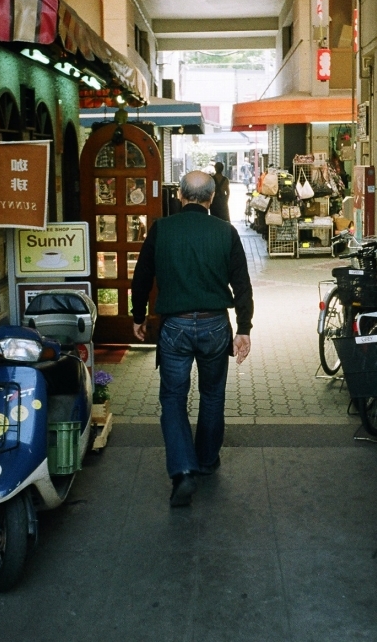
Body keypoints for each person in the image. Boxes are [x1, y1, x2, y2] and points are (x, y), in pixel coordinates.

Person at [131, 171, 253, 508]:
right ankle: (206, 460)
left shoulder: (162, 229)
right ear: (211, 198)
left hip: (175, 327)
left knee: (172, 398)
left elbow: (141, 275)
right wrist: (244, 328)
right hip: (216, 326)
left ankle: (183, 470)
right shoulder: (225, 231)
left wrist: (138, 317)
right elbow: (241, 283)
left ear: (181, 197)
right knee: (212, 395)